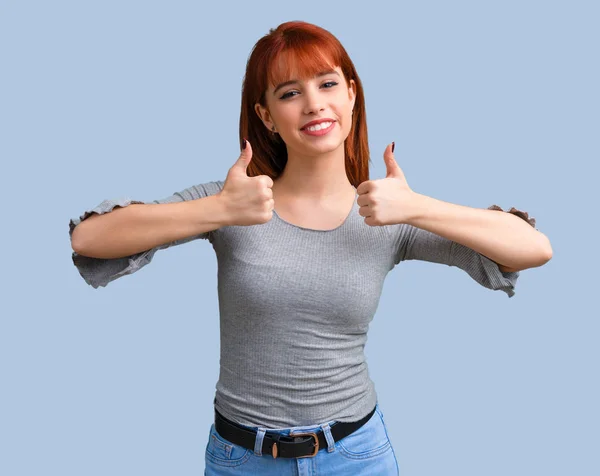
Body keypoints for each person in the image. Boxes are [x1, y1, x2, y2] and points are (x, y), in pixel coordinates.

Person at [68, 20, 552, 476]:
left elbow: (532, 249)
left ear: (352, 95)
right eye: (289, 93)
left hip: (356, 455)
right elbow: (90, 239)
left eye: (327, 84)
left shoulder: (388, 213)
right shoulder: (234, 201)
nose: (314, 104)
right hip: (241, 457)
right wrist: (218, 211)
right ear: (267, 116)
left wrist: (417, 207)